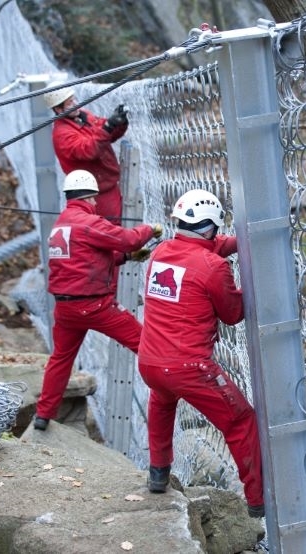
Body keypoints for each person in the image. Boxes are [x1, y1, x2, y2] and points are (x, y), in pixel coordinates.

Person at [137, 189, 264, 518]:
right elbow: (233, 313)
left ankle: (158, 473)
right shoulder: (212, 266)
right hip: (190, 367)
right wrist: (252, 284)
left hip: (151, 361)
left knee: (162, 403)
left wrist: (240, 242)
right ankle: (258, 499)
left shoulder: (161, 252)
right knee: (240, 420)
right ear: (212, 226)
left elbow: (203, 247)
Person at [34, 169, 162, 431]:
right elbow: (128, 239)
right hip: (95, 306)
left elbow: (83, 262)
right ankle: (170, 385)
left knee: (60, 359)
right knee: (145, 343)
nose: (95, 204)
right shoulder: (88, 223)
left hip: (65, 309)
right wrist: (151, 229)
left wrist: (126, 258)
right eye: (93, 199)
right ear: (88, 197)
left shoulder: (61, 226)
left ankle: (42, 415)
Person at [42, 83, 129, 225]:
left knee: (118, 229)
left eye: (73, 99)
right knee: (111, 232)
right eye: (70, 103)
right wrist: (108, 127)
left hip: (108, 186)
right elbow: (88, 150)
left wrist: (119, 123)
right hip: (94, 194)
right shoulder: (62, 134)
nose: (75, 104)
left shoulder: (83, 116)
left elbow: (105, 134)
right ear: (58, 109)